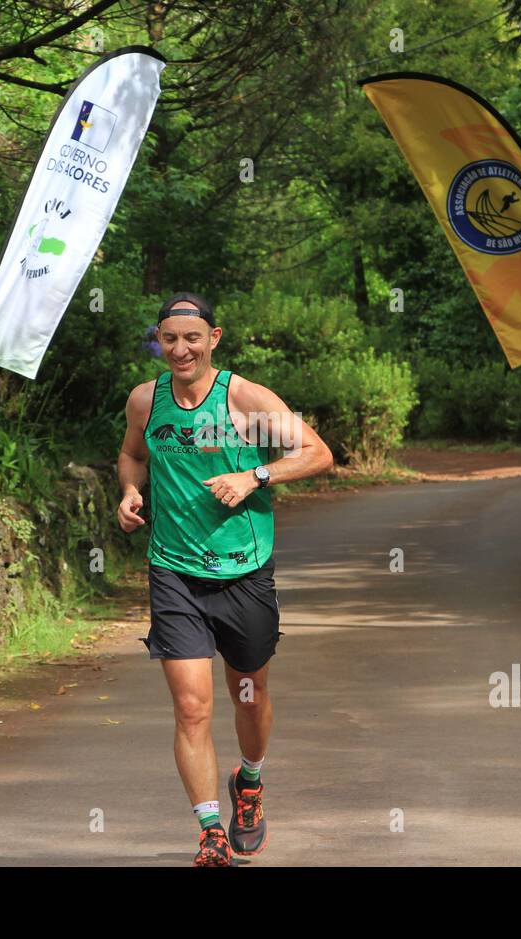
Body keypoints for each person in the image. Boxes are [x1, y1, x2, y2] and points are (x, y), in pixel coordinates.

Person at [116, 291, 334, 866]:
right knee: (191, 708)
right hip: (173, 572)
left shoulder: (244, 399)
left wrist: (254, 475)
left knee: (249, 692)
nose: (180, 349)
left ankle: (252, 782)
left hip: (243, 573)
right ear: (158, 342)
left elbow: (317, 453)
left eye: (192, 338)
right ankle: (210, 831)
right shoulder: (146, 400)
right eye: (169, 339)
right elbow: (133, 456)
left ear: (213, 339)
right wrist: (132, 491)